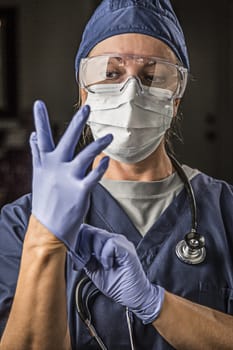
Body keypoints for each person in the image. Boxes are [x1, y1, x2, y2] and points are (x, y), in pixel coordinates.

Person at [0, 0, 233, 349]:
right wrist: (44, 242)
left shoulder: (226, 211)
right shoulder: (21, 223)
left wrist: (155, 304)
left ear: (176, 98)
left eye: (152, 75)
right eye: (111, 73)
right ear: (84, 90)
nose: (131, 91)